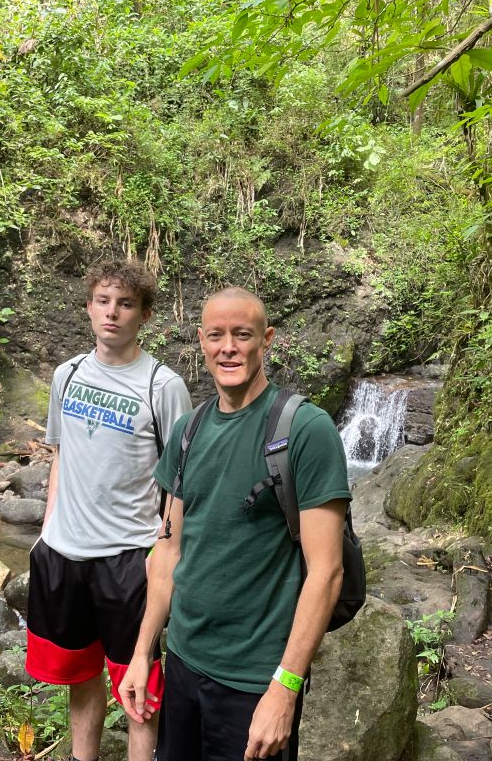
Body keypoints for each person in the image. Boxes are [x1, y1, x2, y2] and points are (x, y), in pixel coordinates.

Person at [118, 287, 351, 761]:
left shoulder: (305, 430)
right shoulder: (188, 431)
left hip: (254, 679)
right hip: (184, 662)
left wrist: (285, 688)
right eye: (216, 335)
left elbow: (326, 572)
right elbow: (167, 551)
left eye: (242, 335)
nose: (228, 348)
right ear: (201, 341)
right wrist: (143, 653)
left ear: (266, 340)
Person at [26, 260, 192, 761]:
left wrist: (164, 553)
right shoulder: (68, 374)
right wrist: (46, 529)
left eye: (125, 304)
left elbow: (181, 483)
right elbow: (60, 453)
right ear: (89, 307)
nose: (112, 313)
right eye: (103, 301)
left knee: (140, 692)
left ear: (144, 315)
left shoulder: (163, 387)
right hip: (64, 553)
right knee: (80, 677)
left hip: (128, 558)